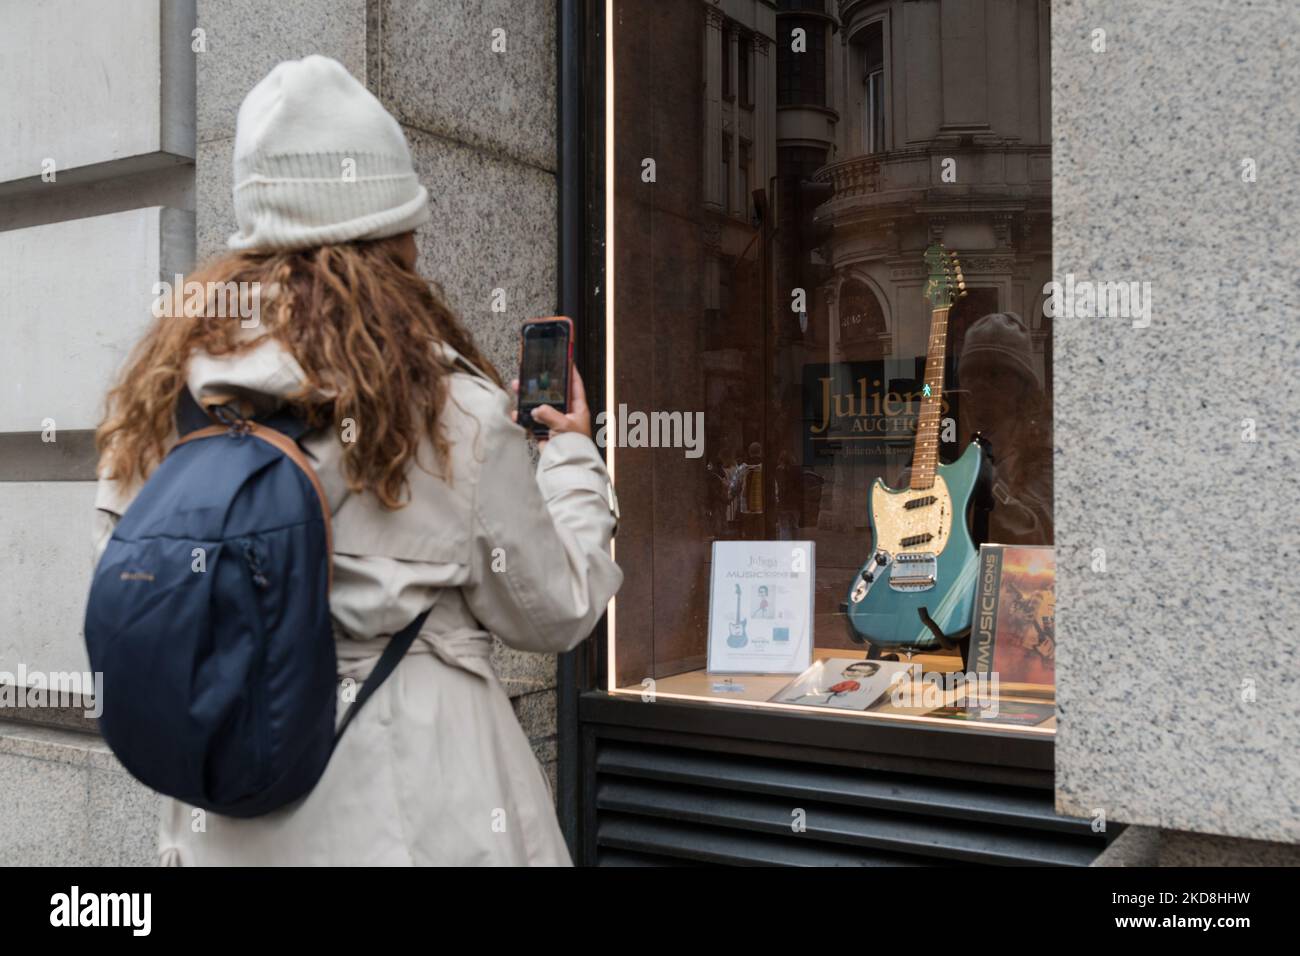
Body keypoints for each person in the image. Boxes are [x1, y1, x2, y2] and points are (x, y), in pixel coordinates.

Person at [90, 56, 621, 866]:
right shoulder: (448, 412)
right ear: (397, 235)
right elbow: (554, 609)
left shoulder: (164, 397)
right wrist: (574, 455)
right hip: (422, 815)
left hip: (226, 821)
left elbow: (124, 588)